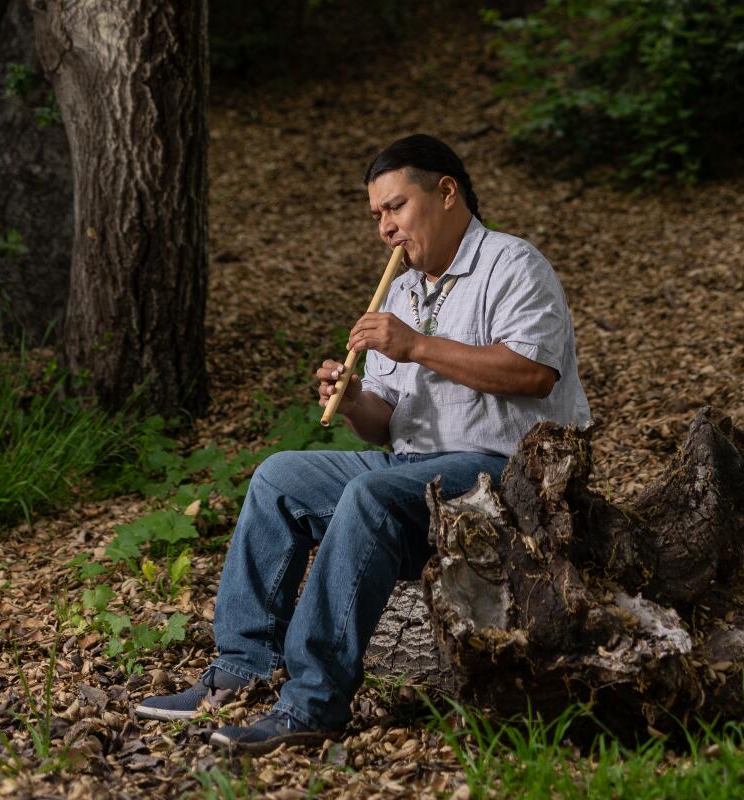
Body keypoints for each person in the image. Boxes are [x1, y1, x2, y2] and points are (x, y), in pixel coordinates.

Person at [133, 133, 590, 753]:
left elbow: (532, 372)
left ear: (447, 192)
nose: (385, 227)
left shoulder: (512, 265)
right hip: (415, 467)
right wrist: (352, 401)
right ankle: (242, 667)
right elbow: (385, 420)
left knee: (372, 493)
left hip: (503, 476)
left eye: (395, 207)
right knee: (278, 477)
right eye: (377, 215)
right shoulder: (404, 290)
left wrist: (416, 345)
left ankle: (314, 702)